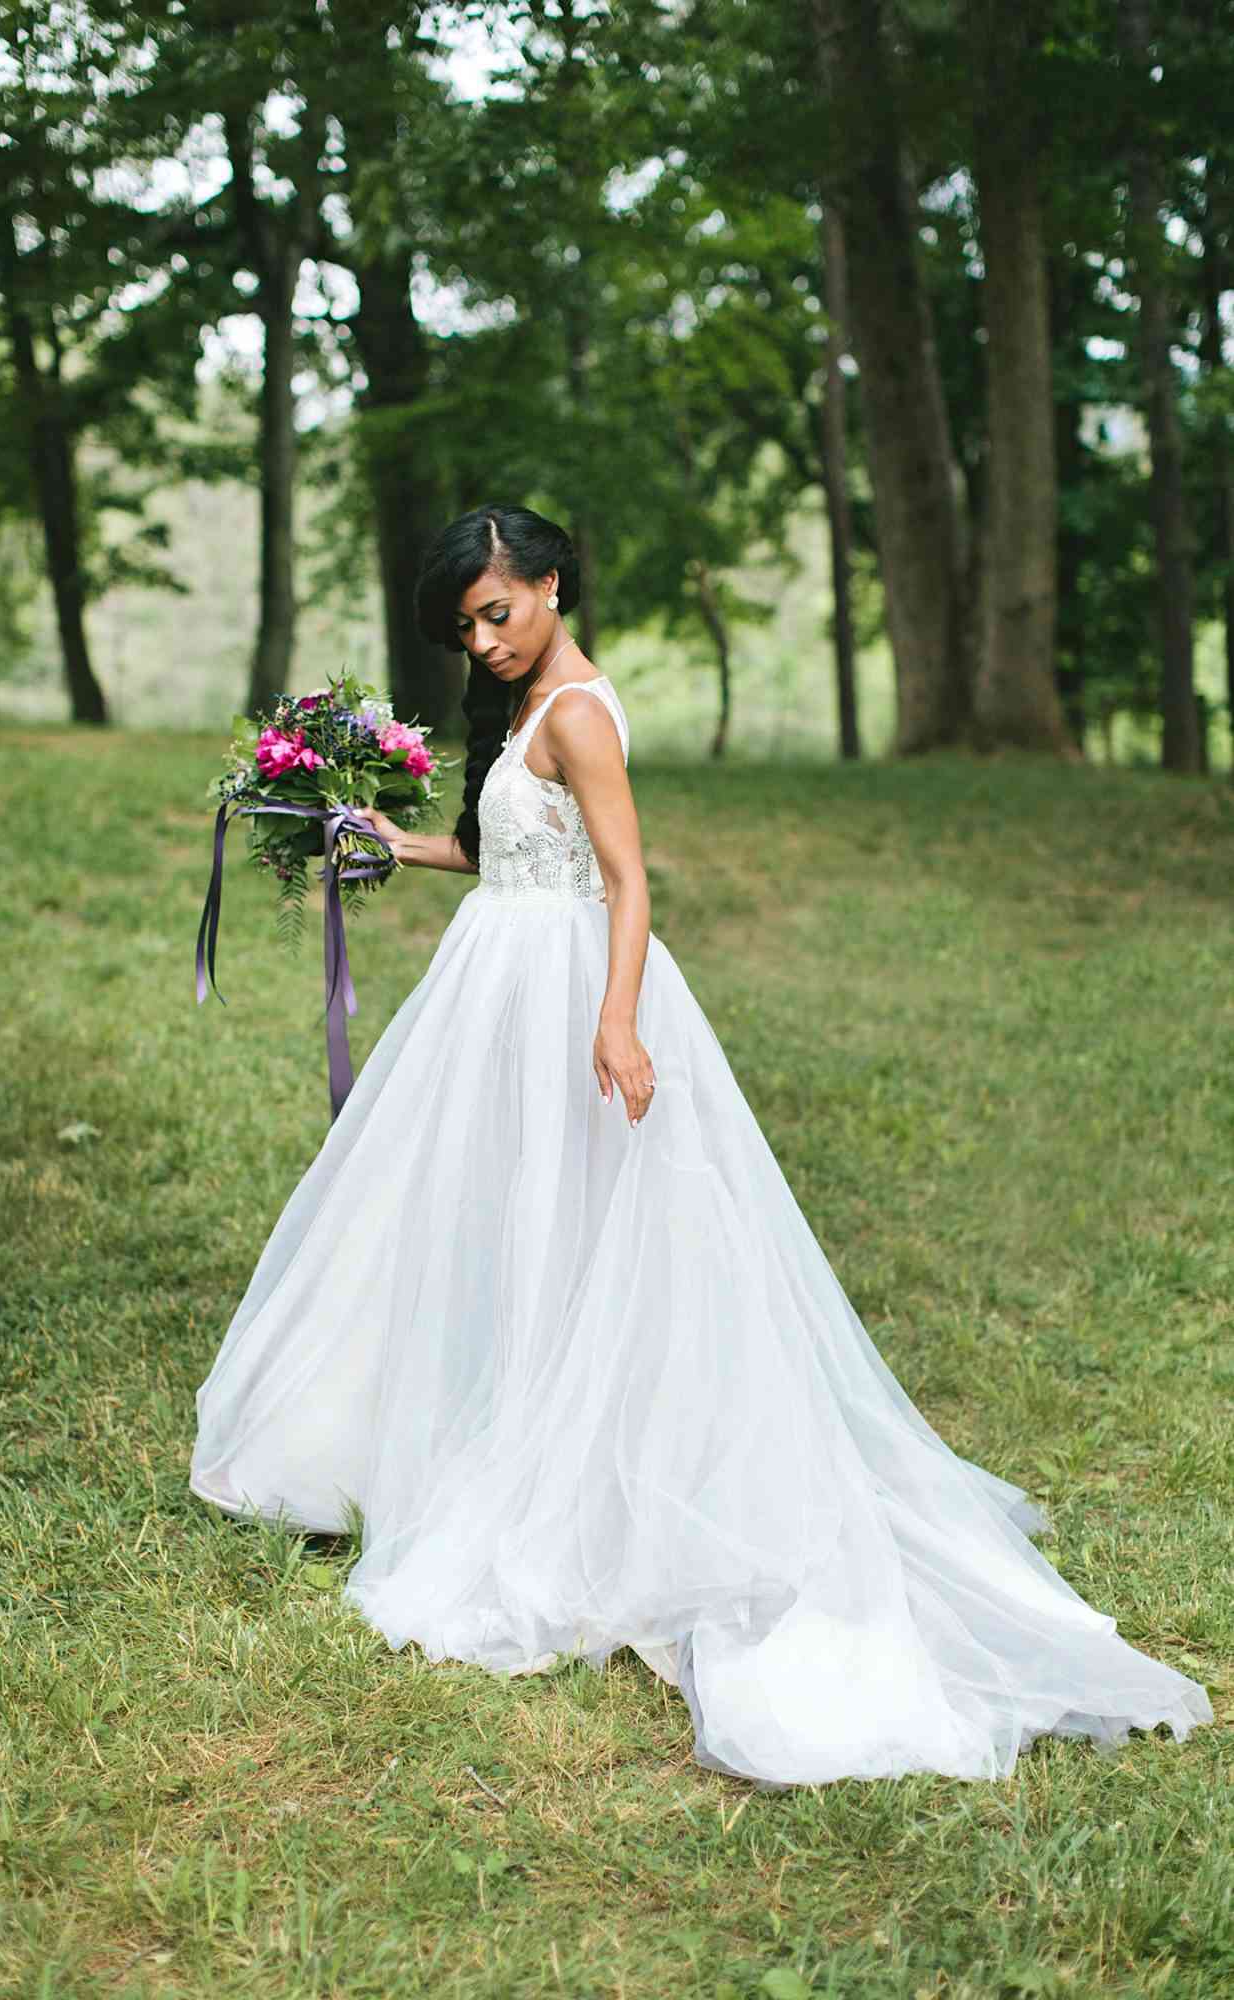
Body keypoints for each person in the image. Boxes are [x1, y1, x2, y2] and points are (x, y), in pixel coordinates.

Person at [190, 503, 1212, 1788]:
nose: (485, 639)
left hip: (572, 989)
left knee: (592, 1222)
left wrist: (614, 1019)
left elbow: (625, 880)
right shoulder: (520, 706)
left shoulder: (574, 710)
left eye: (499, 611)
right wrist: (401, 841)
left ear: (552, 584)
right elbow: (517, 851)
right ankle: (493, 1419)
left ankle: (579, 1468)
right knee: (501, 1215)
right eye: (464, 625)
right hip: (495, 982)